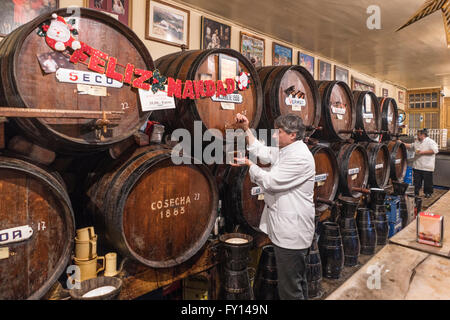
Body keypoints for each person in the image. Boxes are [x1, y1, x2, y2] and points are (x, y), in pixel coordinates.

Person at [231, 113, 316, 300]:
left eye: (279, 131)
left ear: (293, 134)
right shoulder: (287, 149)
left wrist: (249, 165)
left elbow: (272, 182)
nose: (275, 135)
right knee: (296, 281)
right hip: (286, 230)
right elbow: (263, 151)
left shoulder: (300, 157)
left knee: (290, 289)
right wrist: (246, 129)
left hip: (292, 233)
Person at [404, 128, 439, 198]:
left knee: (427, 182)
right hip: (417, 165)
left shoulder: (430, 142)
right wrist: (402, 143)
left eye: (418, 135)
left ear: (423, 135)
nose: (417, 136)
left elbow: (435, 150)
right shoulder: (417, 141)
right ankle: (416, 192)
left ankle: (428, 193)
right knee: (416, 181)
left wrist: (422, 152)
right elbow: (411, 146)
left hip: (427, 166)